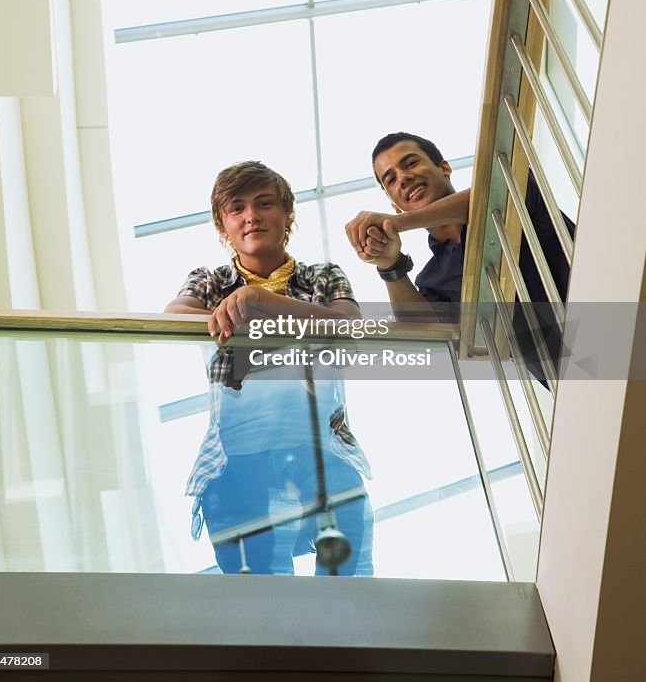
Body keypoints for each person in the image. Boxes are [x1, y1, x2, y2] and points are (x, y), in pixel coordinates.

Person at [165, 160, 373, 576]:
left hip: (320, 449)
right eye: (236, 209)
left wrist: (260, 301)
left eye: (264, 204)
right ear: (222, 225)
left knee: (347, 583)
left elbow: (349, 326)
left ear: (287, 214)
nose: (251, 217)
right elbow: (173, 319)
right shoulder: (210, 281)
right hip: (235, 456)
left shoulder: (323, 276)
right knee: (257, 597)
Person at [345, 132, 575, 380]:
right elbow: (423, 333)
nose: (403, 178)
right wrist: (390, 265)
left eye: (411, 163)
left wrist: (399, 223)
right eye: (390, 180)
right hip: (574, 385)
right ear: (394, 203)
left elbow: (490, 197)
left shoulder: (509, 184)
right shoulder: (434, 280)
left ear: (444, 167)